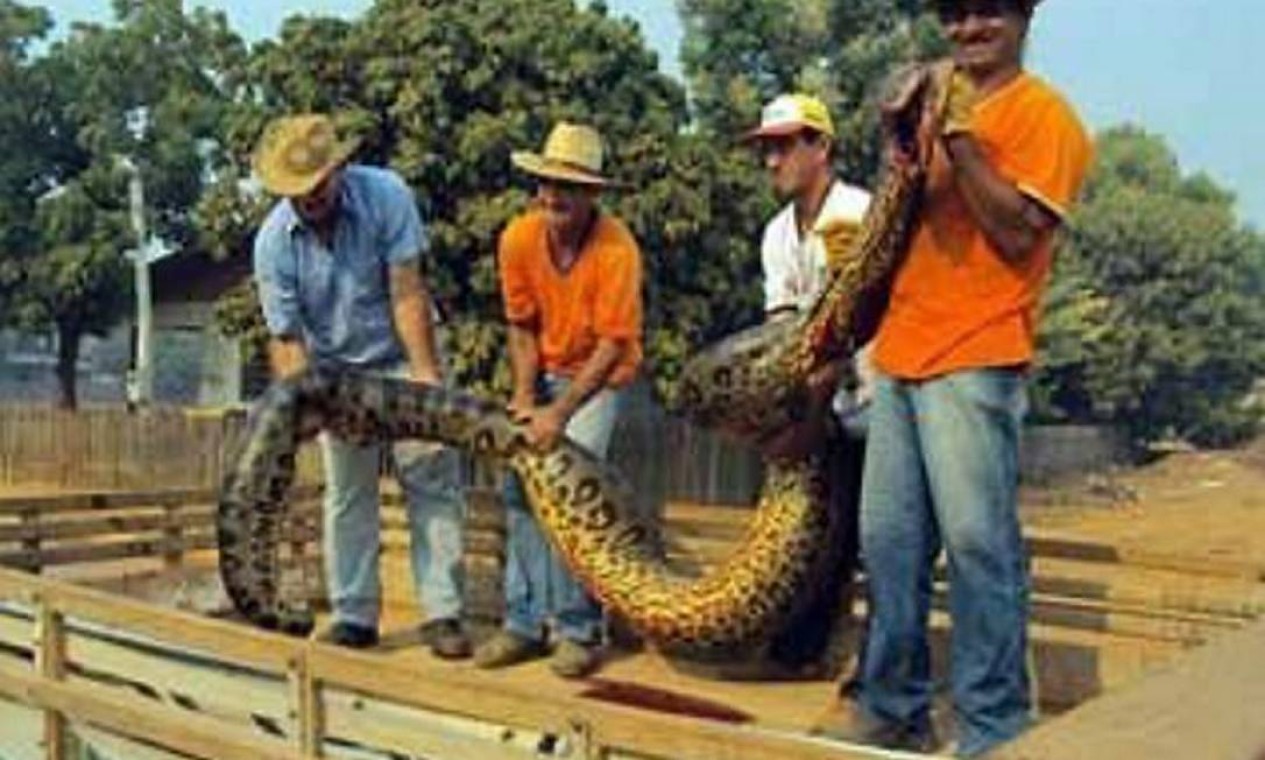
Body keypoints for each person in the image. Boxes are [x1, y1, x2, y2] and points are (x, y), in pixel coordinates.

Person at [815, 0, 1093, 755]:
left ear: (1024, 17)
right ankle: (893, 704)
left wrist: (958, 135)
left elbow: (1014, 234)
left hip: (977, 352)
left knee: (977, 547)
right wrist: (899, 144)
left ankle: (992, 725)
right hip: (902, 352)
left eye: (988, 14)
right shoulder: (933, 114)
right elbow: (898, 227)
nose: (969, 30)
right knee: (889, 546)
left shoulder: (1047, 118)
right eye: (957, 15)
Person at [251, 113, 471, 659]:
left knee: (431, 482)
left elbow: (406, 292)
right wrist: (314, 404)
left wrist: (426, 384)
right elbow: (286, 338)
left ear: (340, 169)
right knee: (348, 495)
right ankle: (354, 615)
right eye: (296, 192)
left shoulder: (387, 195)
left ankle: (443, 614)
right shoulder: (272, 243)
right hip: (334, 375)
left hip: (400, 356)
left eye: (317, 186)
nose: (309, 199)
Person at [472, 122, 643, 679]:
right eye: (546, 184)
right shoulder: (518, 238)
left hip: (599, 376)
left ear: (592, 193)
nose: (553, 196)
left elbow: (613, 346)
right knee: (518, 485)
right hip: (543, 370)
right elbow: (521, 326)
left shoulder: (617, 249)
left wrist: (557, 415)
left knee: (568, 490)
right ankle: (522, 624)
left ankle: (577, 628)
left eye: (567, 187)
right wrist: (524, 400)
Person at [742, 94, 873, 673]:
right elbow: (784, 333)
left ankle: (863, 657)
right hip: (820, 400)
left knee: (871, 533)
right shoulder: (776, 234)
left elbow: (843, 336)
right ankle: (802, 648)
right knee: (816, 531)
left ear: (823, 147)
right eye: (766, 150)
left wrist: (807, 418)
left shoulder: (857, 213)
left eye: (784, 146)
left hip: (874, 396)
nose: (772, 161)